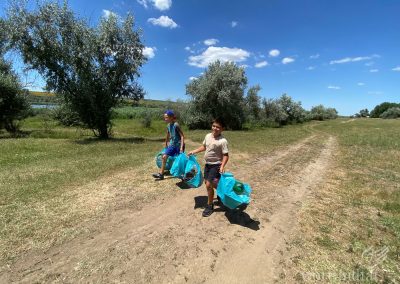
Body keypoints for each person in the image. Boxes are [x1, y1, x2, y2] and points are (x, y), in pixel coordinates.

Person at [188, 118, 229, 217]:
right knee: (212, 183)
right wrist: (194, 151)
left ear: (222, 129)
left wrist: (222, 166)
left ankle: (210, 205)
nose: (215, 128)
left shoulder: (223, 141)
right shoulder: (207, 136)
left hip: (216, 165)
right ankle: (221, 194)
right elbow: (204, 147)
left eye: (218, 127)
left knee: (208, 185)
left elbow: (226, 155)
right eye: (214, 126)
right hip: (207, 165)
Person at [152, 110, 185, 180]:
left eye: (166, 117)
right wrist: (166, 144)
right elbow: (168, 135)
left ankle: (183, 174)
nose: (165, 119)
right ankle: (161, 174)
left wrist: (181, 147)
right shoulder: (168, 125)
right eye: (165, 117)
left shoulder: (176, 125)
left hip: (179, 145)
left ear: (171, 117)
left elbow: (182, 136)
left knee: (179, 160)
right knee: (164, 156)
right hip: (172, 145)